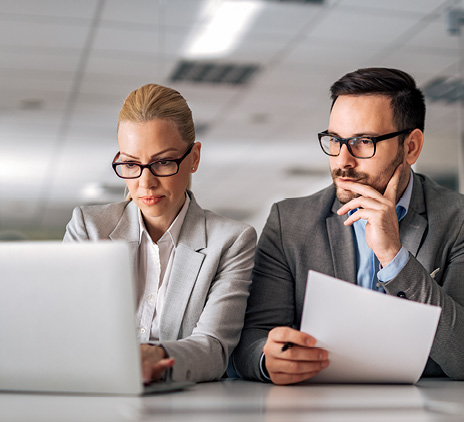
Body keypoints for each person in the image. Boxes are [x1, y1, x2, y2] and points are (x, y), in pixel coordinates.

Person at [232, 67, 464, 385]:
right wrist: (266, 358)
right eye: (335, 140)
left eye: (362, 142)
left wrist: (395, 258)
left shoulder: (457, 220)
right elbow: (251, 340)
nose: (343, 160)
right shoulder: (290, 223)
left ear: (411, 146)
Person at [64, 83, 256, 383]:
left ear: (193, 157)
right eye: (130, 164)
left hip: (179, 402)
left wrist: (157, 357)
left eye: (163, 162)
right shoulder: (89, 229)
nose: (146, 182)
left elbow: (215, 349)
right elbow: (65, 328)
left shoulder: (230, 241)